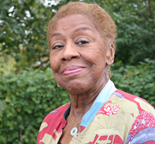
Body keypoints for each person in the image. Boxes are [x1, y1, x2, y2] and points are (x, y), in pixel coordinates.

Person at [36, 2, 155, 144]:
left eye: (82, 41)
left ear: (109, 53)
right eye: (58, 46)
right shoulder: (49, 123)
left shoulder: (138, 118)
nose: (67, 53)